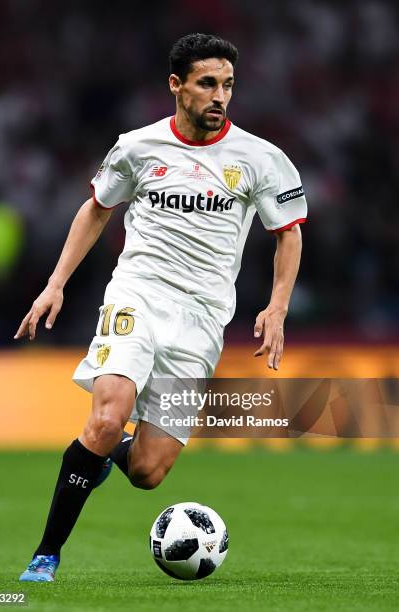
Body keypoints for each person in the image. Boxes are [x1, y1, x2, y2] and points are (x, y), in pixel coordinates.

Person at [16, 33, 307, 582]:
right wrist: (55, 284)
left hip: (201, 319)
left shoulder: (261, 158)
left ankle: (101, 456)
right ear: (177, 86)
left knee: (148, 471)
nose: (220, 96)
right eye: (207, 84)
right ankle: (45, 556)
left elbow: (288, 233)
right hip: (137, 296)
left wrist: (277, 306)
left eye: (227, 85)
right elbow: (97, 208)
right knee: (104, 418)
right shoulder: (137, 147)